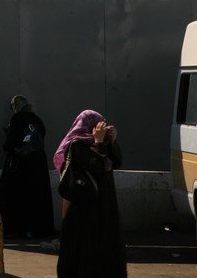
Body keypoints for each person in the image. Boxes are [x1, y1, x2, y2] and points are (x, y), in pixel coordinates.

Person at [53, 109, 126, 277]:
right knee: (84, 248)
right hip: (83, 209)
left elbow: (116, 162)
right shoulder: (76, 145)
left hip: (103, 206)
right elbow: (97, 167)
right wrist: (98, 142)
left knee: (104, 246)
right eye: (97, 126)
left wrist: (112, 142)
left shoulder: (101, 145)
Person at [0, 95, 55, 238]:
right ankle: (36, 229)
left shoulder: (17, 118)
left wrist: (8, 144)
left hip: (20, 166)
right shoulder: (37, 119)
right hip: (38, 165)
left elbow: (12, 141)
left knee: (17, 198)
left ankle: (18, 228)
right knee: (36, 198)